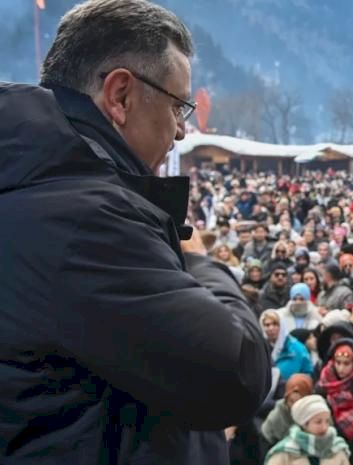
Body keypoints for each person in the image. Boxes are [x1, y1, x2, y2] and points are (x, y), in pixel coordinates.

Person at [0, 2, 272, 463]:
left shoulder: (31, 184)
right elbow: (236, 373)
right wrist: (199, 261)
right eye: (177, 106)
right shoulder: (86, 223)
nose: (182, 131)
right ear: (121, 95)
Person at [314, 339, 353, 461]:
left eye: (346, 363)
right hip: (328, 441)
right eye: (338, 363)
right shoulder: (323, 385)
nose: (341, 368)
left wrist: (352, 425)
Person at [265, 395, 351, 465]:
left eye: (327, 421)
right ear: (304, 424)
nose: (324, 427)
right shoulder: (284, 452)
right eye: (318, 422)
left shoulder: (337, 448)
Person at [262, 374, 315, 446]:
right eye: (291, 401)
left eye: (300, 402)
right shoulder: (278, 415)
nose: (295, 406)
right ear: (286, 399)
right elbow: (268, 439)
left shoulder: (314, 412)